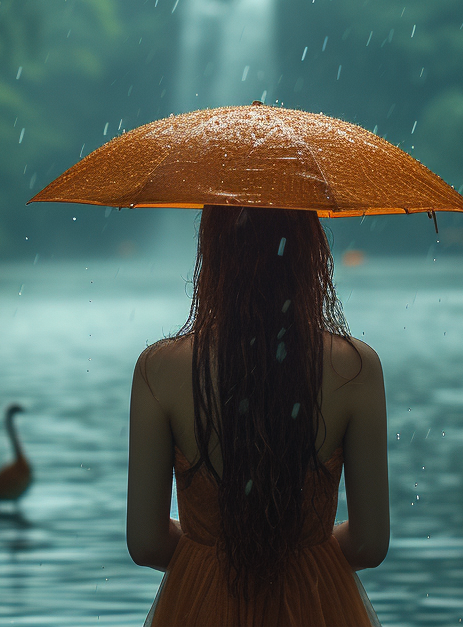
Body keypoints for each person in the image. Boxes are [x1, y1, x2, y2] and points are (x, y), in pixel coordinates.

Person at [128, 206, 389, 626]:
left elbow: (146, 544)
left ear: (212, 250)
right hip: (315, 604)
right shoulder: (355, 368)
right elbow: (369, 545)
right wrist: (304, 545)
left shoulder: (159, 369)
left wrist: (212, 546)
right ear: (310, 250)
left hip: (201, 602)